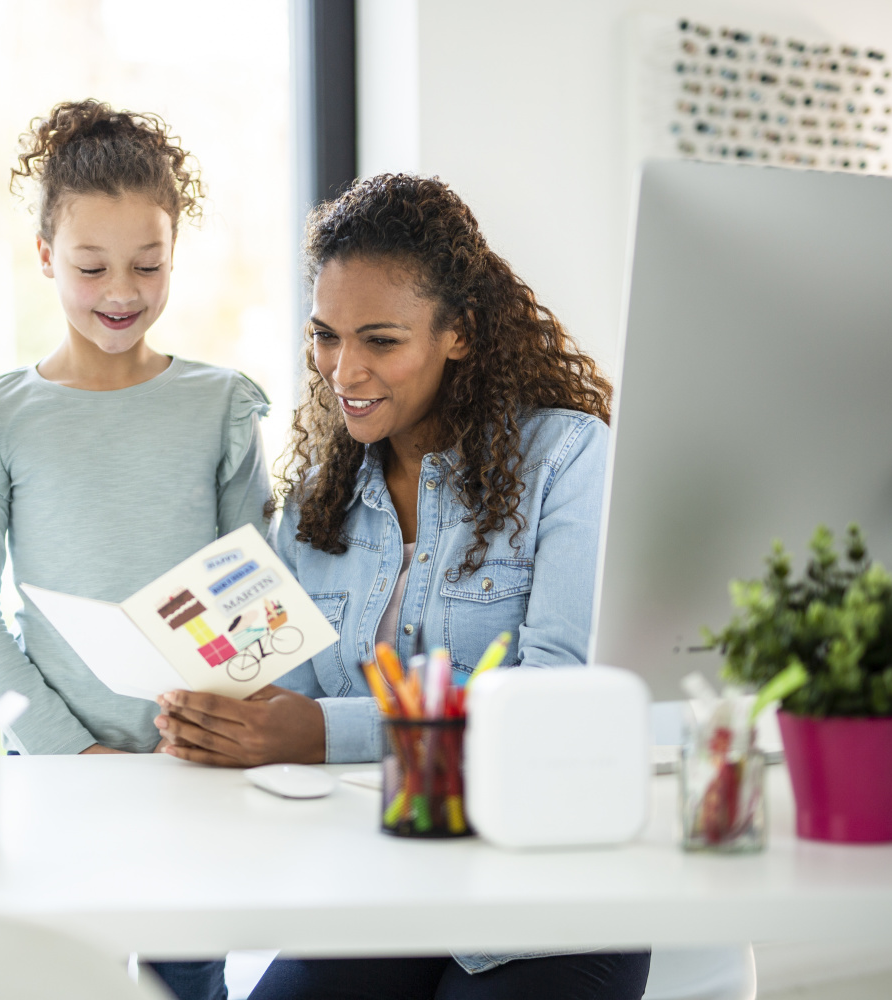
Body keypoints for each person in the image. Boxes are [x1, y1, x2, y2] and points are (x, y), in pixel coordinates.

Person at [154, 174, 650, 999]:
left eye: (380, 340)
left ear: (458, 333)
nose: (343, 369)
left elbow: (552, 695)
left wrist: (316, 730)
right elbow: (289, 705)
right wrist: (228, 722)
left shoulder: (567, 457)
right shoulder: (319, 499)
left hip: (540, 905)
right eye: (325, 335)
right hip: (373, 894)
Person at [0, 99, 268, 1000]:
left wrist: (214, 727)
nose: (122, 292)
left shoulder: (220, 406)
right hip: (53, 781)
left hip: (188, 771)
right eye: (91, 266)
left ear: (173, 257)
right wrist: (71, 756)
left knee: (189, 981)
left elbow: (254, 589)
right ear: (46, 258)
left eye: (148, 265)